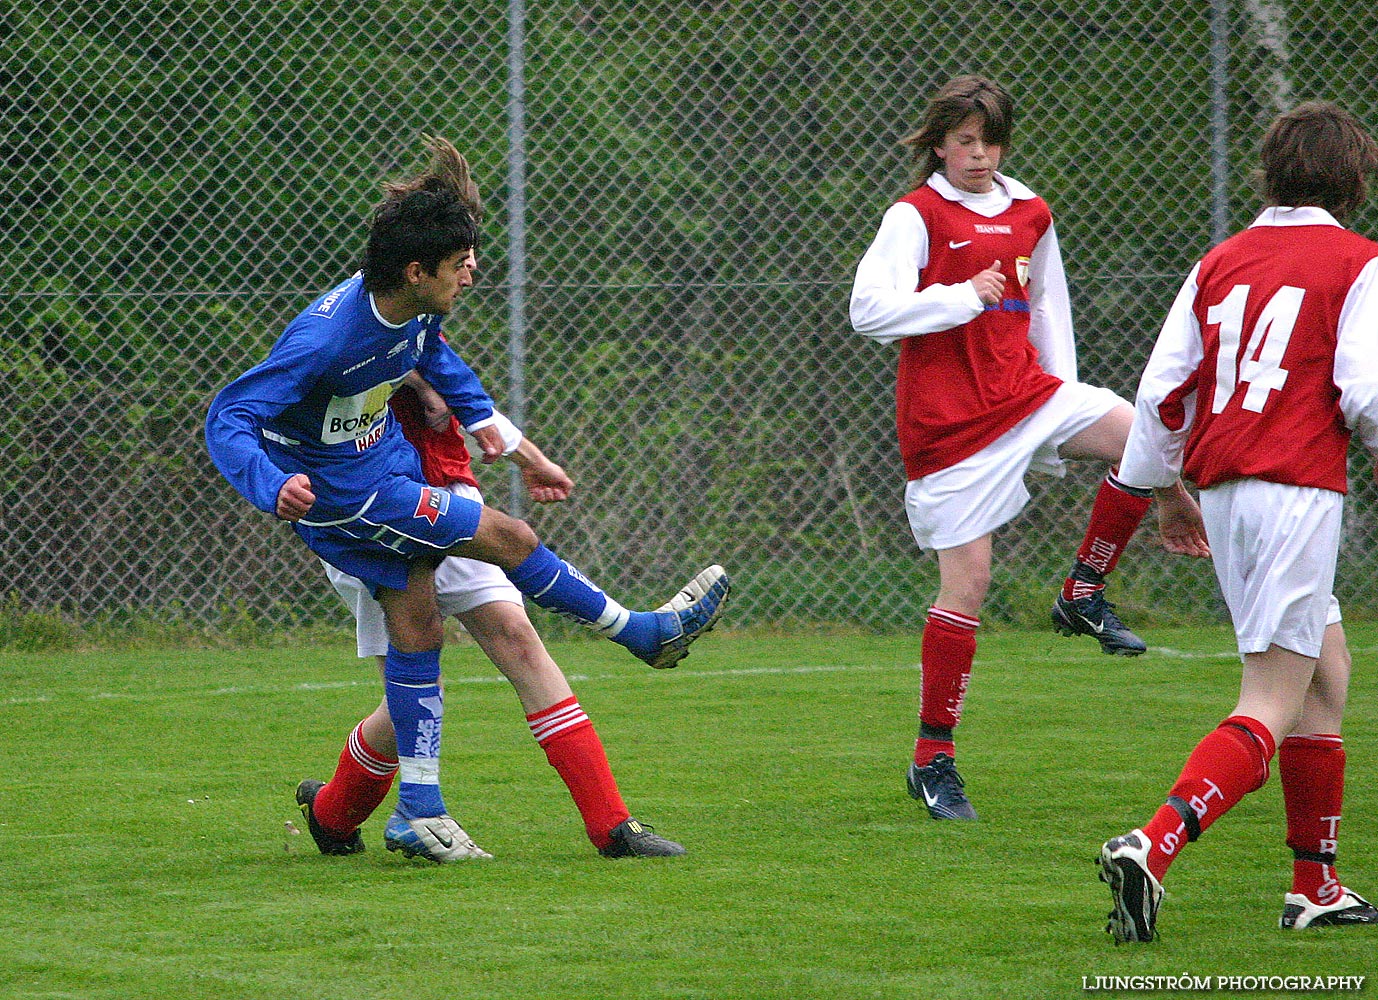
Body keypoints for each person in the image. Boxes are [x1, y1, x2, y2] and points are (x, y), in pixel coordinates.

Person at [206, 136, 729, 862]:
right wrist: (273, 484)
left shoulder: (411, 311)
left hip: (388, 481)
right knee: (510, 538)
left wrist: (517, 446)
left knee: (421, 635)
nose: (474, 273)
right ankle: (639, 633)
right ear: (417, 269)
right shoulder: (326, 341)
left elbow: (442, 364)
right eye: (461, 263)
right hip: (353, 501)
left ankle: (398, 812)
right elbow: (228, 416)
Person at [848, 75, 1207, 820]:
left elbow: (1048, 307)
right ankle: (933, 759)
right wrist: (957, 297)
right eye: (966, 141)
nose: (980, 155)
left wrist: (1059, 398)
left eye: (992, 141)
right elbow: (867, 310)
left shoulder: (1030, 211)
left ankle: (1083, 591)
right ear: (939, 143)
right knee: (967, 587)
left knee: (1142, 431)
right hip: (948, 428)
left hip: (1027, 395)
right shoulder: (915, 215)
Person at [1098, 100, 1378, 941]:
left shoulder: (1218, 261)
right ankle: (1153, 844)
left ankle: (1315, 886)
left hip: (1224, 493)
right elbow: (1365, 392)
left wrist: (1159, 487)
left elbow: (1160, 390)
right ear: (1355, 178)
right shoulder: (1359, 262)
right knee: (1271, 697)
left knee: (1327, 675)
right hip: (1296, 492)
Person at [302, 369, 704, 859]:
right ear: (412, 282)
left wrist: (531, 459)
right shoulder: (355, 328)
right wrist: (420, 385)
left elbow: (465, 399)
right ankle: (335, 813)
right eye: (458, 281)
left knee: (519, 640)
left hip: (453, 502)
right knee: (412, 698)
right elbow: (340, 381)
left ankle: (613, 825)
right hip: (371, 520)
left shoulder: (420, 324)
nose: (466, 285)